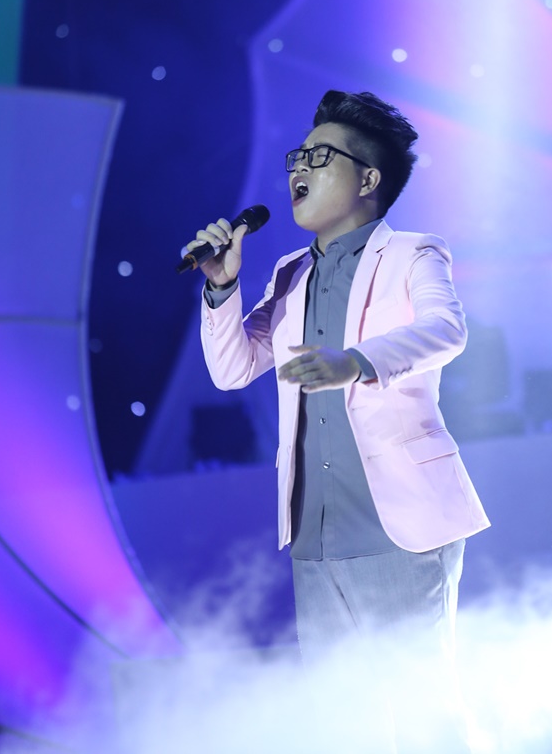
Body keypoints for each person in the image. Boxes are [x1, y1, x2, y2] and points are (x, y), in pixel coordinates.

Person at [189, 90, 489, 752]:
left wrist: (354, 361)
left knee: (422, 714)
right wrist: (221, 286)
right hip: (314, 533)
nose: (299, 167)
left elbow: (446, 329)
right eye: (298, 156)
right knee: (340, 722)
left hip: (399, 524)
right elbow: (234, 369)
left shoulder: (413, 253)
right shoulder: (289, 274)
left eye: (319, 157)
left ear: (368, 179)